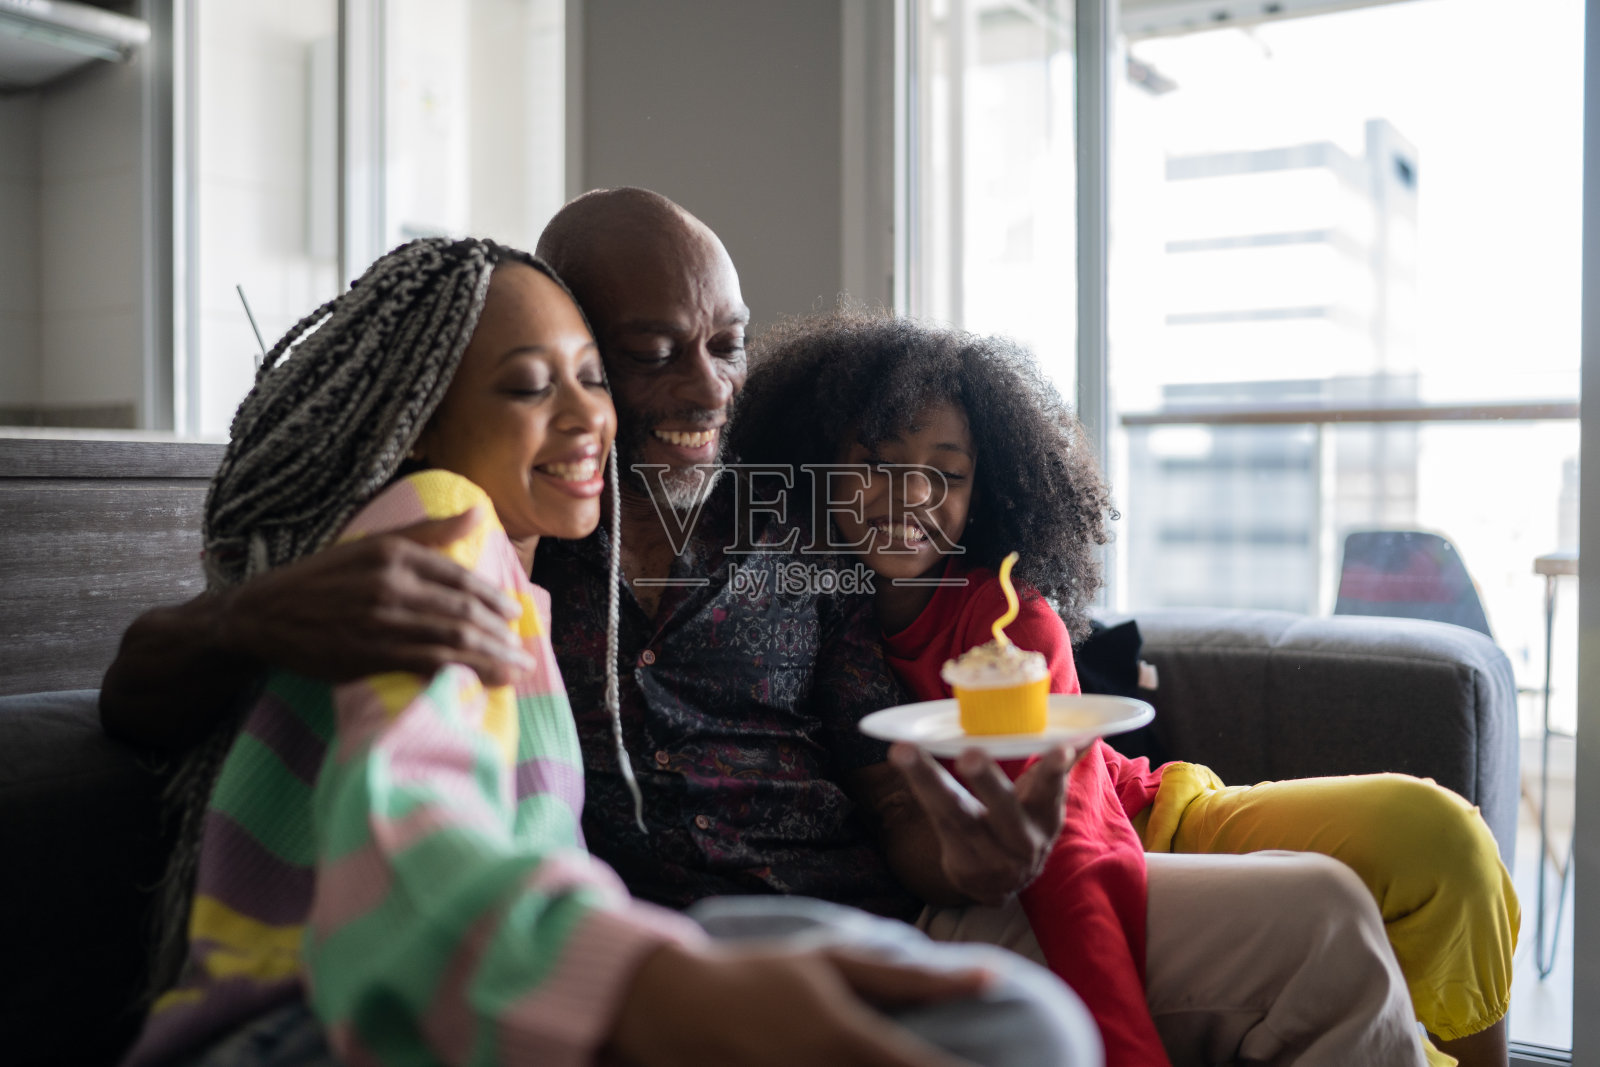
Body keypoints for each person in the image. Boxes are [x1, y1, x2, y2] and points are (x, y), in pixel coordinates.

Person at [106, 191, 1427, 1065]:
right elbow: (160, 692)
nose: (703, 391)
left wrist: (972, 841)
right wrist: (261, 608)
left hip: (890, 907)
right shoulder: (503, 537)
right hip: (667, 946)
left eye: (726, 344)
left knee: (1320, 915)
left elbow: (883, 772)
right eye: (651, 349)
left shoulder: (793, 536)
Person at [727, 308, 1520, 1067]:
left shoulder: (1012, 618)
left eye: (946, 473)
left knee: (1437, 834)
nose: (910, 499)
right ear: (812, 458)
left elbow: (1077, 836)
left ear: (986, 492)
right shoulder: (785, 614)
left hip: (1141, 819)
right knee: (1330, 905)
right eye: (874, 463)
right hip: (995, 880)